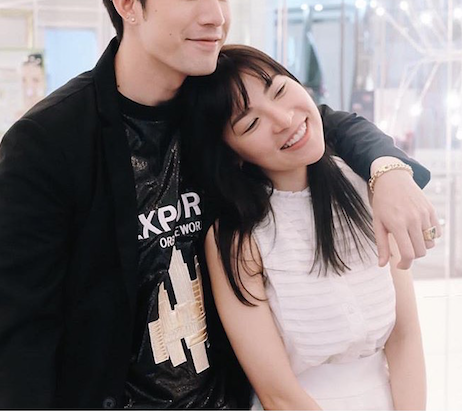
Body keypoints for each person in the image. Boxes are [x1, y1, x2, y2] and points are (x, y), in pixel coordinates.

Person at [0, 0, 438, 409]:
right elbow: (18, 336)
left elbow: (322, 123)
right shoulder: (51, 140)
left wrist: (388, 171)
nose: (215, 15)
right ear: (128, 1)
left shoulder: (211, 106)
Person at [180, 45, 427, 410]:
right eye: (251, 124)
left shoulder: (367, 186)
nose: (283, 119)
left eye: (280, 90)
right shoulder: (237, 236)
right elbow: (277, 394)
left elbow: (405, 339)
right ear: (232, 153)